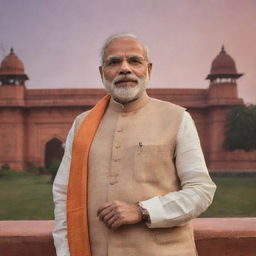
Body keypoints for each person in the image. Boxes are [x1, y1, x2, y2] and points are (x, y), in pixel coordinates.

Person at [53, 33, 216, 256]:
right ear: (102, 73)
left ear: (149, 69)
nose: (124, 69)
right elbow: (64, 195)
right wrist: (65, 252)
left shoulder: (177, 118)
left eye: (134, 61)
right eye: (114, 62)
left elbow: (201, 190)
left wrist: (143, 210)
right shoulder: (83, 124)